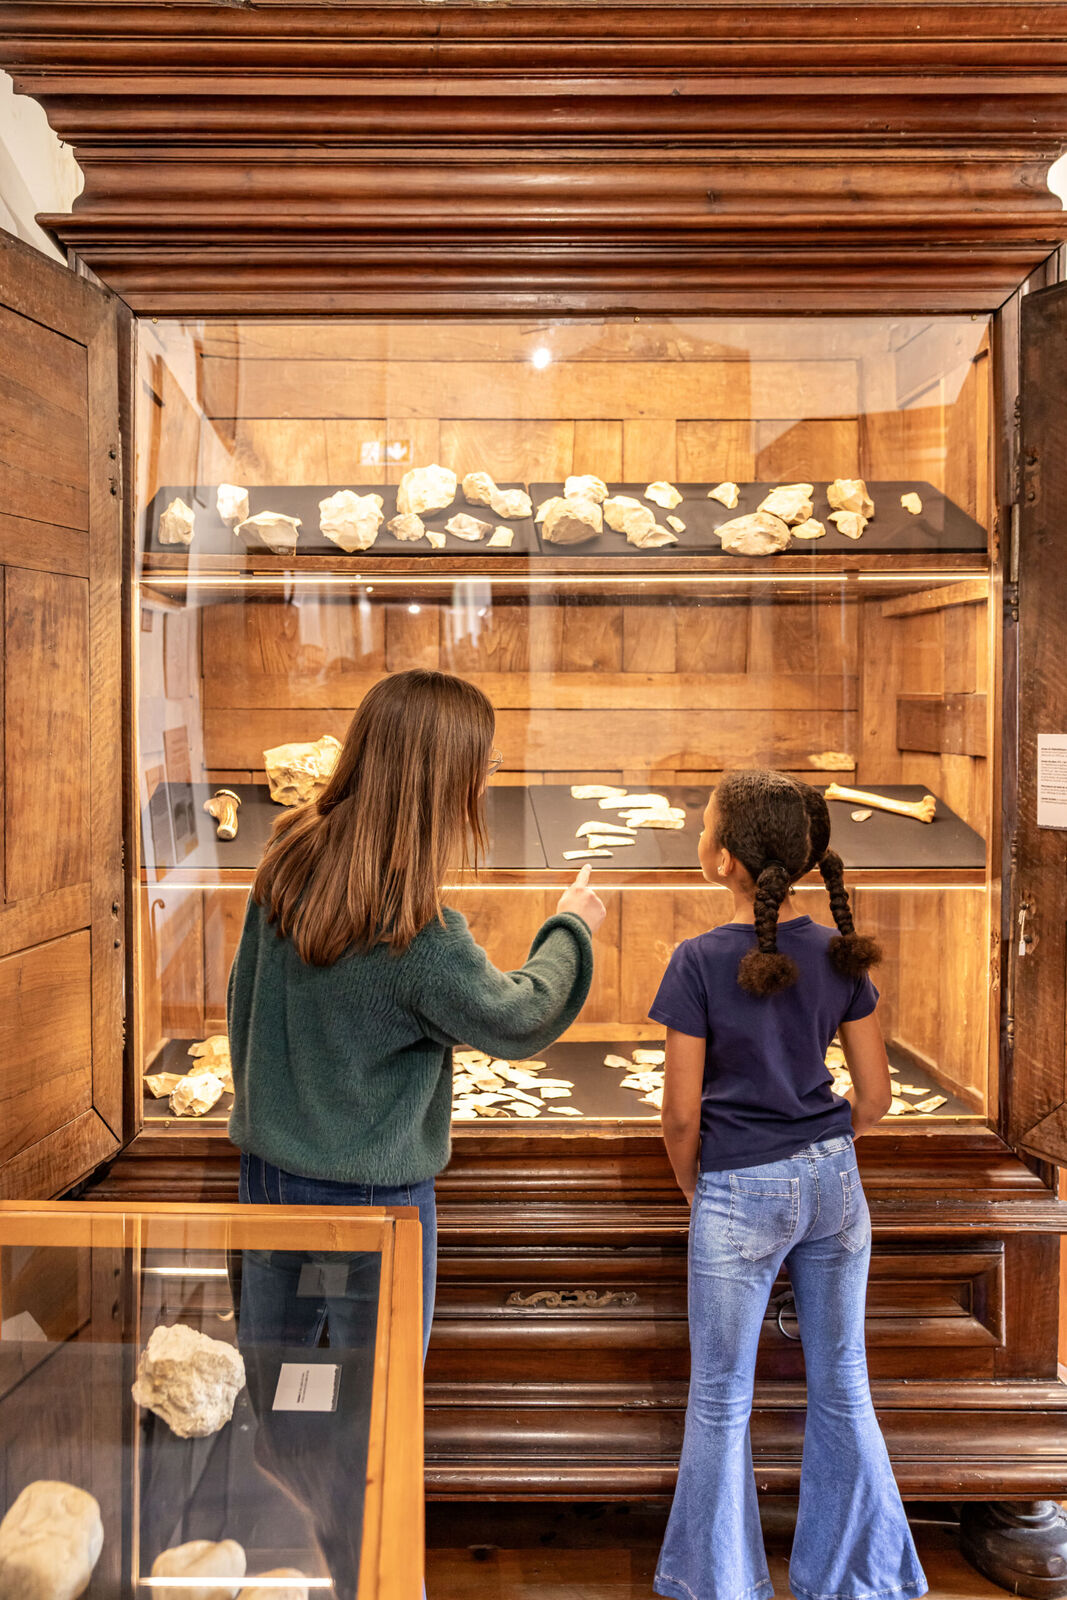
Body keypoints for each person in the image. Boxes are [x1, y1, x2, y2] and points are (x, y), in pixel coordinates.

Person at [227, 668, 606, 1361]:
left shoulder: (285, 858)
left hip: (269, 1178)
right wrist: (570, 927)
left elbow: (243, 997)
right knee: (379, 1399)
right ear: (445, 780)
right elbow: (518, 1016)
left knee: (279, 1389)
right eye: (483, 766)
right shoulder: (418, 935)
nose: (485, 783)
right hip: (373, 1200)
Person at [650, 769, 927, 1600]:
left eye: (703, 826)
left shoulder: (697, 961)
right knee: (843, 1381)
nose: (698, 836)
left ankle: (719, 1585)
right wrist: (822, 1143)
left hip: (738, 1186)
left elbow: (678, 1116)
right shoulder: (838, 954)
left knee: (719, 1398)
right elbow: (873, 1098)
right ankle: (860, 1580)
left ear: (724, 861)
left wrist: (697, 1189)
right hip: (834, 1182)